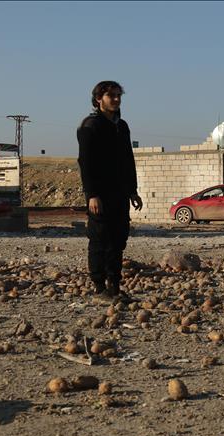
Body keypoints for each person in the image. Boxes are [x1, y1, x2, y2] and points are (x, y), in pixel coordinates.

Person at [77, 80, 143, 299]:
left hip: (120, 193)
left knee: (118, 239)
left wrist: (132, 190)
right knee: (99, 239)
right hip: (101, 195)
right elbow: (86, 163)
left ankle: (114, 286)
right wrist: (92, 194)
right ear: (98, 99)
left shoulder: (121, 126)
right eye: (110, 96)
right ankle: (99, 287)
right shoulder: (90, 126)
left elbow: (128, 159)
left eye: (118, 95)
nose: (115, 99)